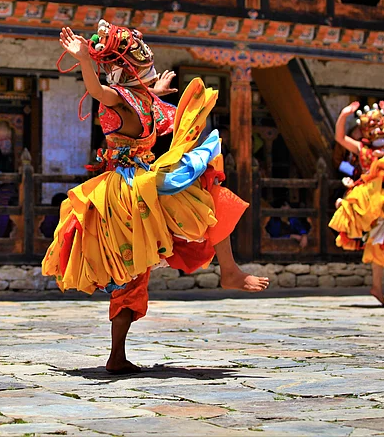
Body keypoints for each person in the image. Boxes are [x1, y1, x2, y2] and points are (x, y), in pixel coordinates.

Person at [43, 22, 269, 374]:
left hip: (140, 185)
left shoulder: (144, 101)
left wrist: (156, 91)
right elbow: (97, 90)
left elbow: (157, 112)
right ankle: (227, 271)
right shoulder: (120, 98)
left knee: (204, 196)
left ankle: (227, 272)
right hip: (127, 193)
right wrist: (85, 59)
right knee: (194, 207)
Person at [329, 102, 384, 307]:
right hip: (369, 197)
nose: (377, 129)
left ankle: (377, 287)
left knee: (377, 244)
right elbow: (340, 138)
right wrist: (343, 115)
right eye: (372, 125)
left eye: (380, 123)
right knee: (380, 196)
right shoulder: (364, 150)